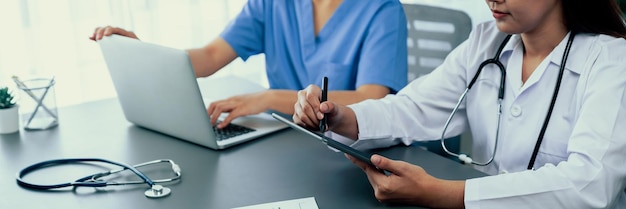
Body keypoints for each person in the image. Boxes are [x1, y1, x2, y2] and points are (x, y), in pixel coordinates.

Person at [293, 0, 626, 208]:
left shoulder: (611, 60)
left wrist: (441, 194)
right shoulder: (486, 43)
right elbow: (414, 108)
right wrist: (341, 116)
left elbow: (590, 185)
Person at [90, 0, 408, 129]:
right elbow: (212, 56)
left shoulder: (382, 10)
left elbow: (374, 98)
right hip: (285, 136)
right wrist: (143, 49)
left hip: (348, 149)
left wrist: (267, 98)